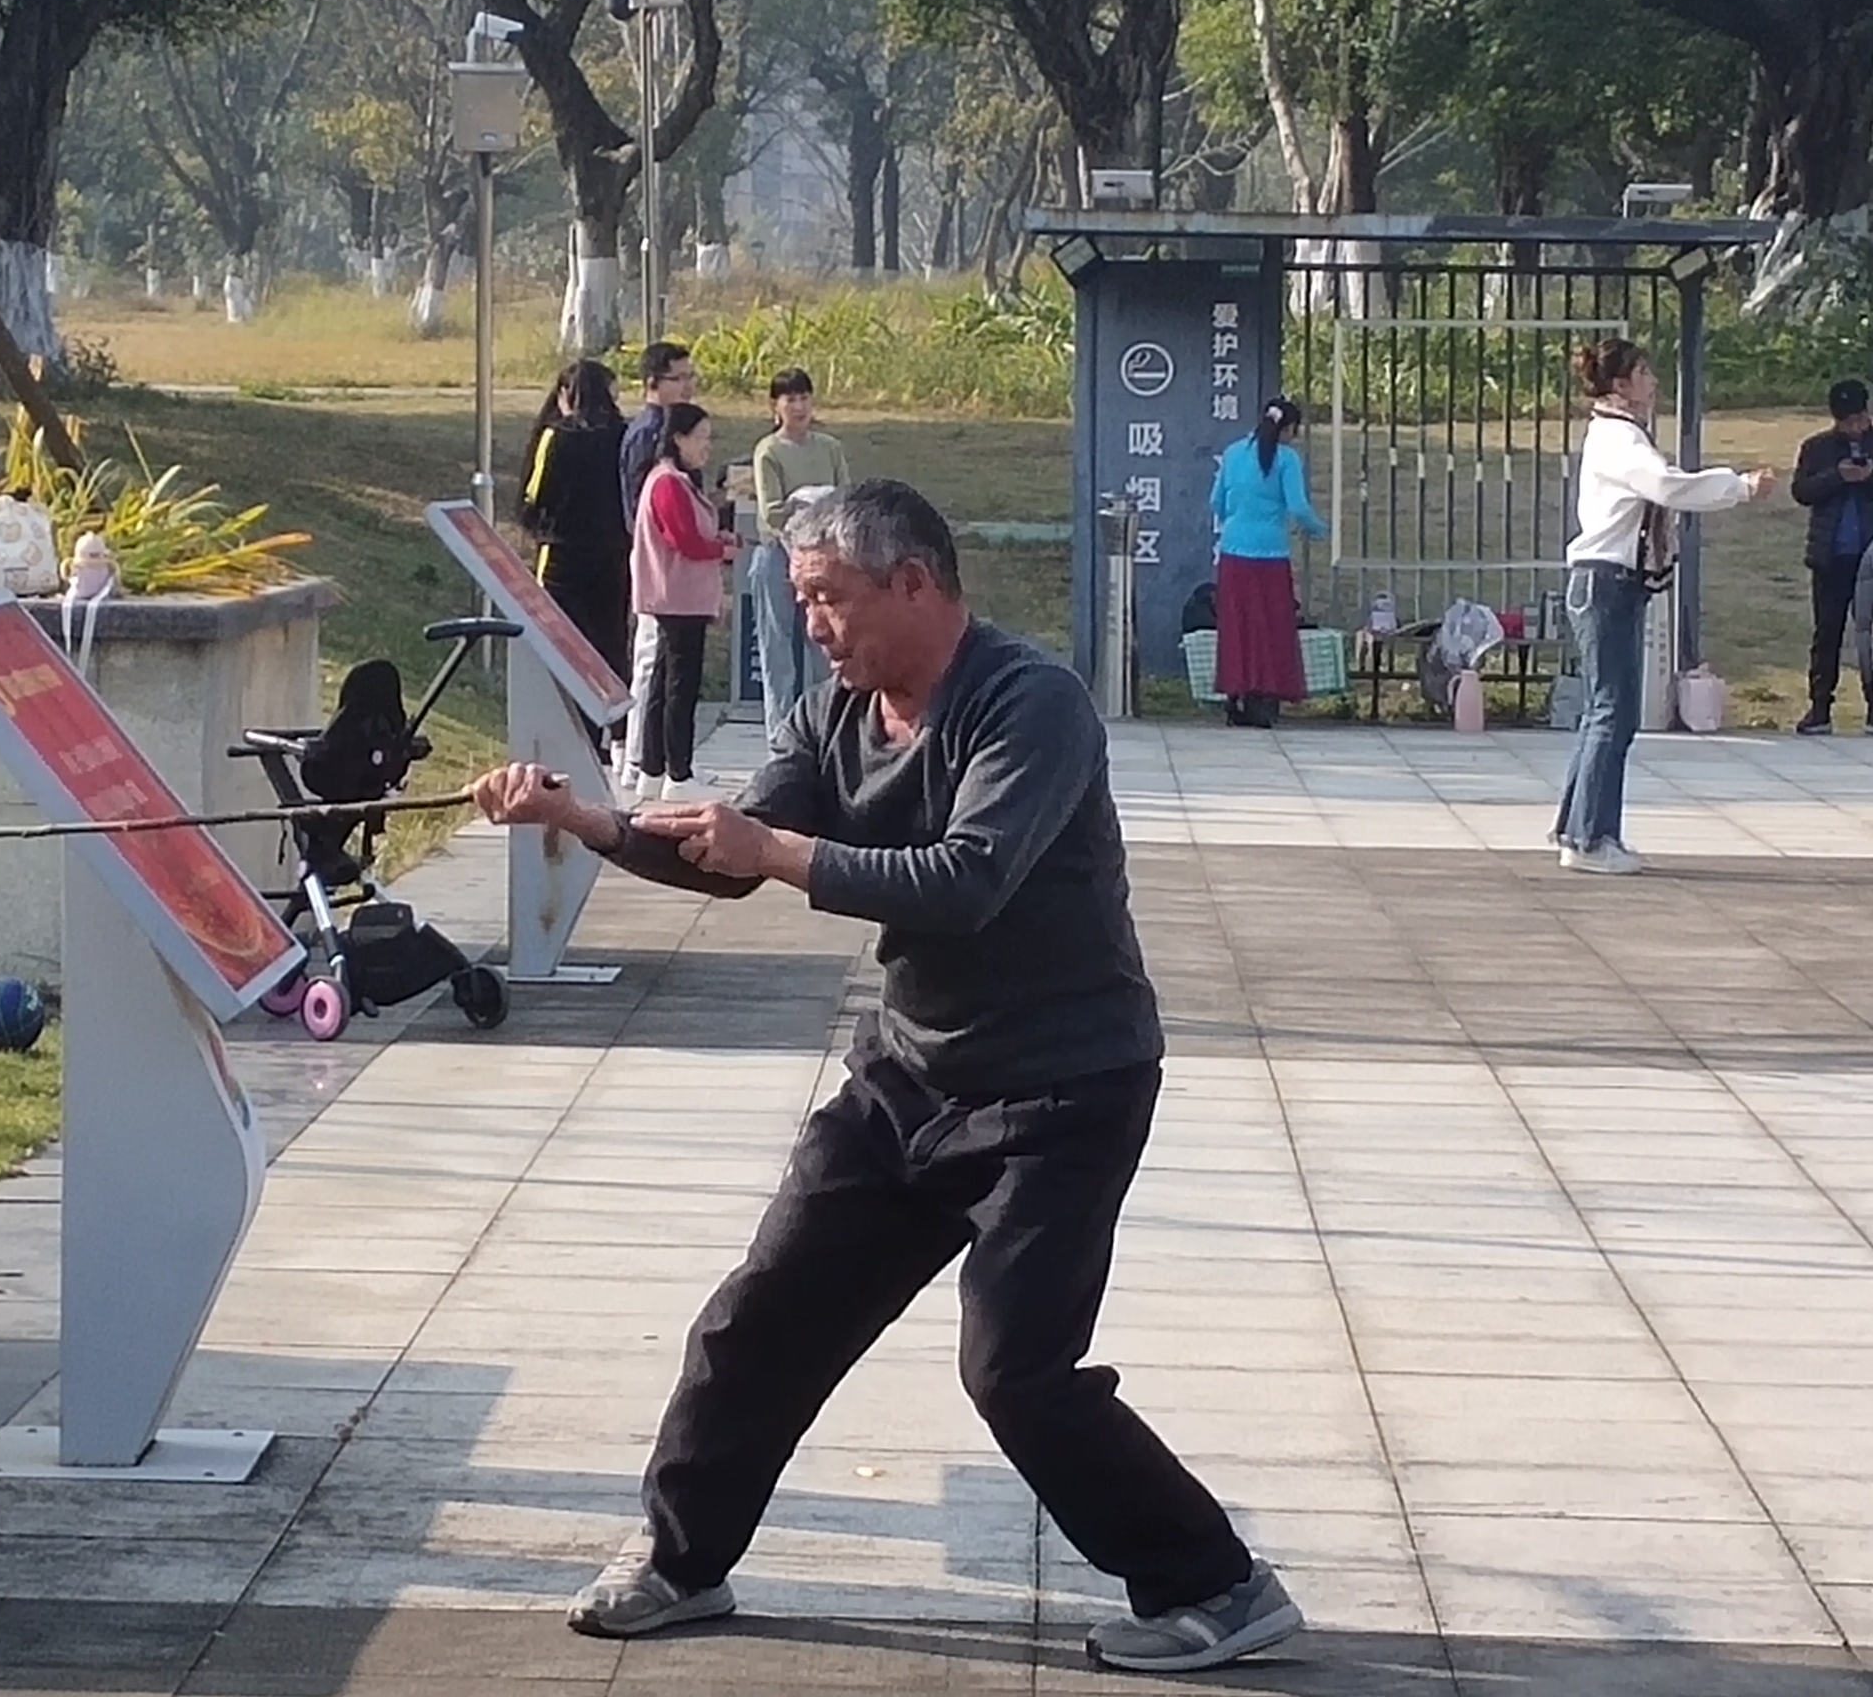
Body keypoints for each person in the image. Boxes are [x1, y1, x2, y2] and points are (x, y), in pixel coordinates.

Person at [468, 477, 1305, 1677]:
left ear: (914, 583)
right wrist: (592, 822)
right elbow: (734, 855)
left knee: (1016, 1374)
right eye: (802, 599)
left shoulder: (1032, 704)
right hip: (908, 1078)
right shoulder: (833, 714)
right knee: (761, 1319)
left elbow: (966, 882)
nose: (812, 624)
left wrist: (778, 849)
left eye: (829, 598)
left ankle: (1217, 1586)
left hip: (1065, 1088)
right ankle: (681, 1563)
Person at [1556, 338, 1776, 875]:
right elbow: (1666, 486)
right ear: (1621, 384)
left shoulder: (1619, 432)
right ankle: (1588, 839)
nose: (1653, 382)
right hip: (1605, 581)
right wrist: (1738, 486)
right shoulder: (1619, 437)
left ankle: (1581, 831)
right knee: (1612, 713)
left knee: (1606, 712)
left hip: (1610, 582)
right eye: (1644, 372)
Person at [517, 360, 632, 757]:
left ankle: (571, 729)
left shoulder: (557, 436)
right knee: (610, 640)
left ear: (567, 394)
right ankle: (613, 733)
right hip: (613, 554)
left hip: (563, 554)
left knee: (562, 641)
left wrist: (535, 522)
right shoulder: (623, 434)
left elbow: (536, 493)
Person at [630, 403, 733, 802]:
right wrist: (723, 548)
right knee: (680, 687)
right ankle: (678, 771)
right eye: (701, 437)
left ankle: (652, 769)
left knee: (663, 682)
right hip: (679, 598)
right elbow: (684, 541)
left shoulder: (674, 481)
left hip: (674, 596)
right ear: (678, 438)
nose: (707, 446)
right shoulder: (668, 482)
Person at [1209, 396, 1327, 729]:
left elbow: (1216, 502)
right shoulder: (1286, 459)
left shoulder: (1233, 453)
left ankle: (1235, 692)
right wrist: (1320, 530)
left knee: (1238, 626)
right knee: (1270, 627)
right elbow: (1298, 507)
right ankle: (1263, 697)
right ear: (1288, 429)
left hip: (1233, 553)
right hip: (1270, 556)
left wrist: (1237, 520)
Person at [749, 368, 850, 751]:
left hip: (822, 557)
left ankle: (827, 728)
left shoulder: (830, 447)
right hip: (778, 554)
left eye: (804, 398)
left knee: (825, 643)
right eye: (790, 399)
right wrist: (802, 503)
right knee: (777, 649)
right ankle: (780, 737)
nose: (799, 407)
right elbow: (772, 512)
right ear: (775, 406)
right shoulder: (769, 450)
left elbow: (846, 498)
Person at [619, 341, 699, 790]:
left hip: (665, 565)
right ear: (652, 383)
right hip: (657, 563)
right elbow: (641, 505)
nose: (687, 385)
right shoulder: (649, 433)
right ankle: (641, 759)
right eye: (678, 378)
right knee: (653, 663)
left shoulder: (667, 428)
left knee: (660, 663)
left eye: (691, 377)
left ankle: (651, 760)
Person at [1788, 379, 1873, 735]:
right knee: (1827, 633)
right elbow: (1801, 491)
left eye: (1859, 419)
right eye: (1846, 421)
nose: (1854, 427)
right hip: (1830, 554)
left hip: (1870, 555)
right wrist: (1838, 476)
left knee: (1871, 635)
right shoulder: (1817, 447)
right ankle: (1820, 707)